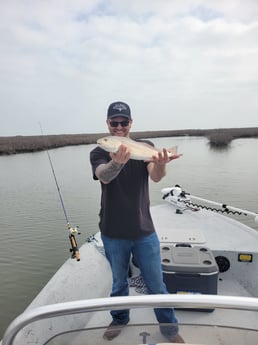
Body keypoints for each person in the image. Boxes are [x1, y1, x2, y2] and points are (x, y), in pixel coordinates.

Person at [90, 101, 184, 343]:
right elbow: (104, 176)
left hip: (144, 230)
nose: (119, 126)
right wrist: (118, 162)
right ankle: (120, 318)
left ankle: (170, 329)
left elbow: (155, 176)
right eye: (114, 122)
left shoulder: (146, 147)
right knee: (118, 282)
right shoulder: (99, 152)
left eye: (124, 122)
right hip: (112, 231)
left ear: (131, 123)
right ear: (108, 123)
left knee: (156, 283)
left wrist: (162, 162)